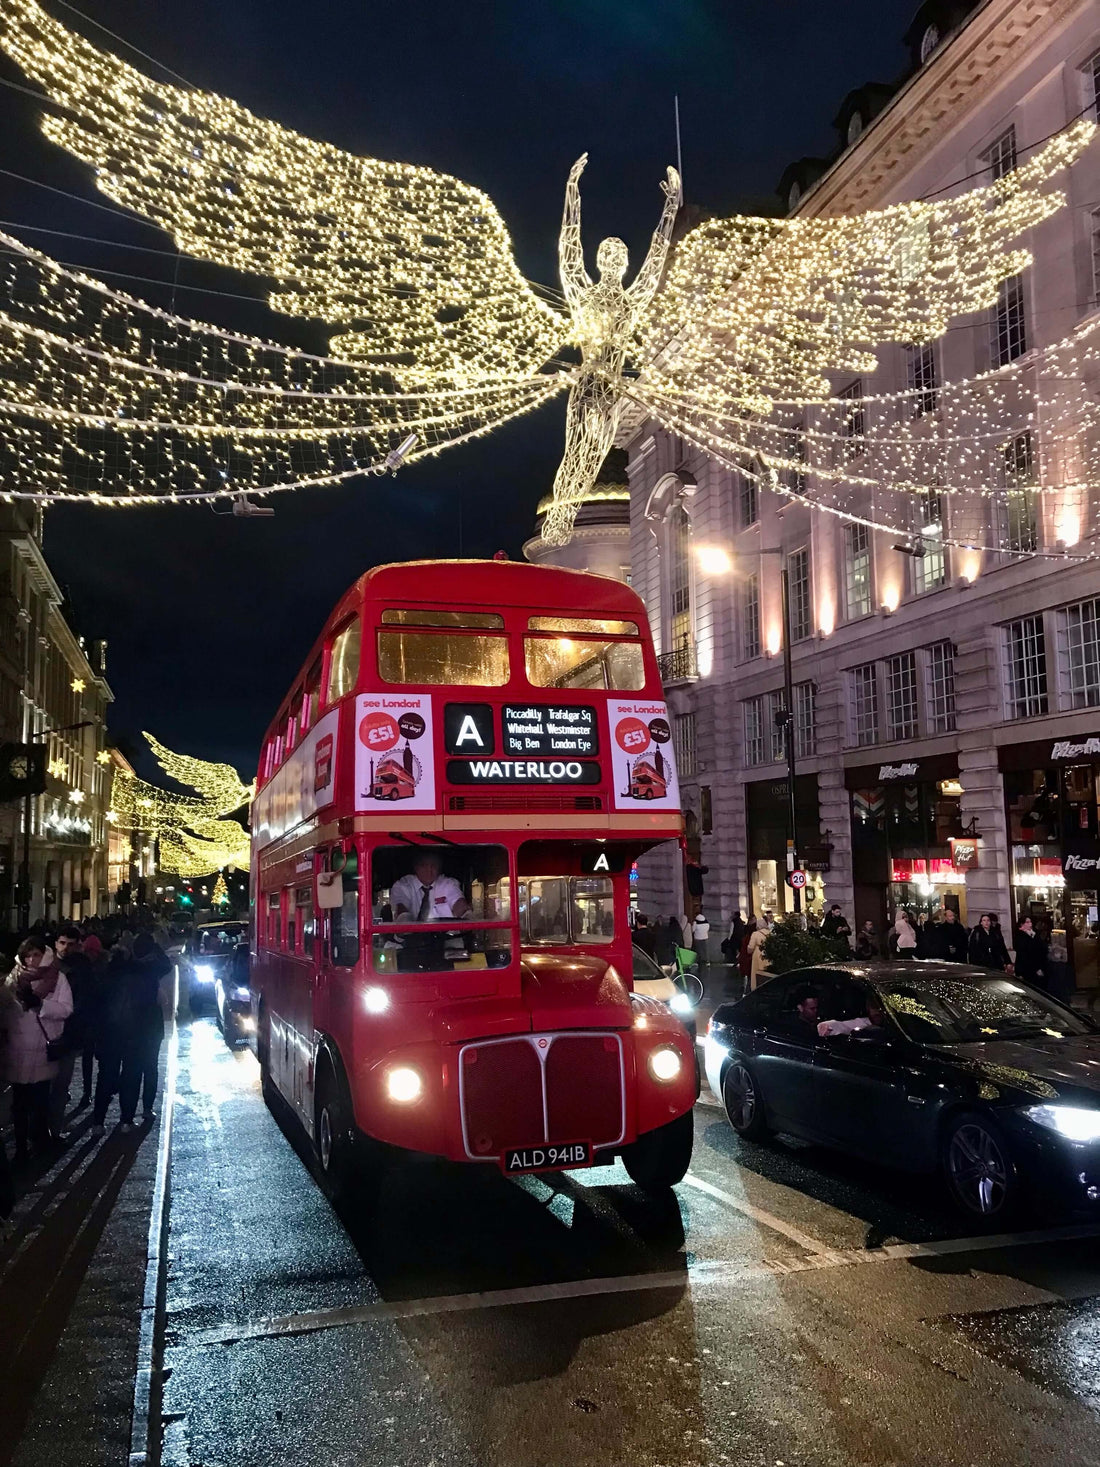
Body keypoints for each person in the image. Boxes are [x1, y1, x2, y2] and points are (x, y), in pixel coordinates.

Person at [2, 939, 73, 1162]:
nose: (31, 960)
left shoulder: (57, 977)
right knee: (20, 1104)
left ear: (44, 954)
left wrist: (41, 1006)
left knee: (41, 1101)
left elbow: (66, 1009)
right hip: (18, 1049)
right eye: (27, 955)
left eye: (36, 954)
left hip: (43, 1048)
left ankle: (41, 1141)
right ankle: (21, 1147)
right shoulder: (13, 978)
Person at [117, 933, 173, 1128]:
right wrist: (156, 947)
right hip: (151, 1026)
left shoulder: (126, 968)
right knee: (150, 1068)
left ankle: (126, 1118)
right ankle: (147, 1108)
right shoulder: (152, 969)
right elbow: (167, 965)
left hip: (129, 1026)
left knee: (130, 1072)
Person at [51, 925, 94, 1130]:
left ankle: (54, 1127)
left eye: (71, 944)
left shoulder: (83, 967)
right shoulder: (48, 966)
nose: (66, 948)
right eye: (62, 943)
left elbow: (87, 997)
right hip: (47, 1031)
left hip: (69, 1033)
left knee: (61, 1083)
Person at [391, 853, 470, 922]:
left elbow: (459, 903)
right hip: (410, 938)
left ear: (439, 868)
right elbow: (402, 911)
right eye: (424, 865)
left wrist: (466, 913)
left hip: (448, 937)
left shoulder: (447, 884)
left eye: (434, 866)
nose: (429, 870)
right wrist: (405, 921)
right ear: (416, 868)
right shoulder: (403, 885)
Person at [1012, 915, 1048, 988]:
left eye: (1030, 922)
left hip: (1036, 965)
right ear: (1022, 924)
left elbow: (1041, 948)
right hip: (1026, 968)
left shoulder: (1034, 934)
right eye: (1027, 922)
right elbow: (1024, 952)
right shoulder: (1020, 935)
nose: (1030, 924)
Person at [748, 913, 772, 989]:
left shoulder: (755, 934)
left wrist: (749, 951)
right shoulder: (770, 933)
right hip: (767, 955)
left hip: (757, 955)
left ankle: (756, 988)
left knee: (756, 974)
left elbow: (750, 947)